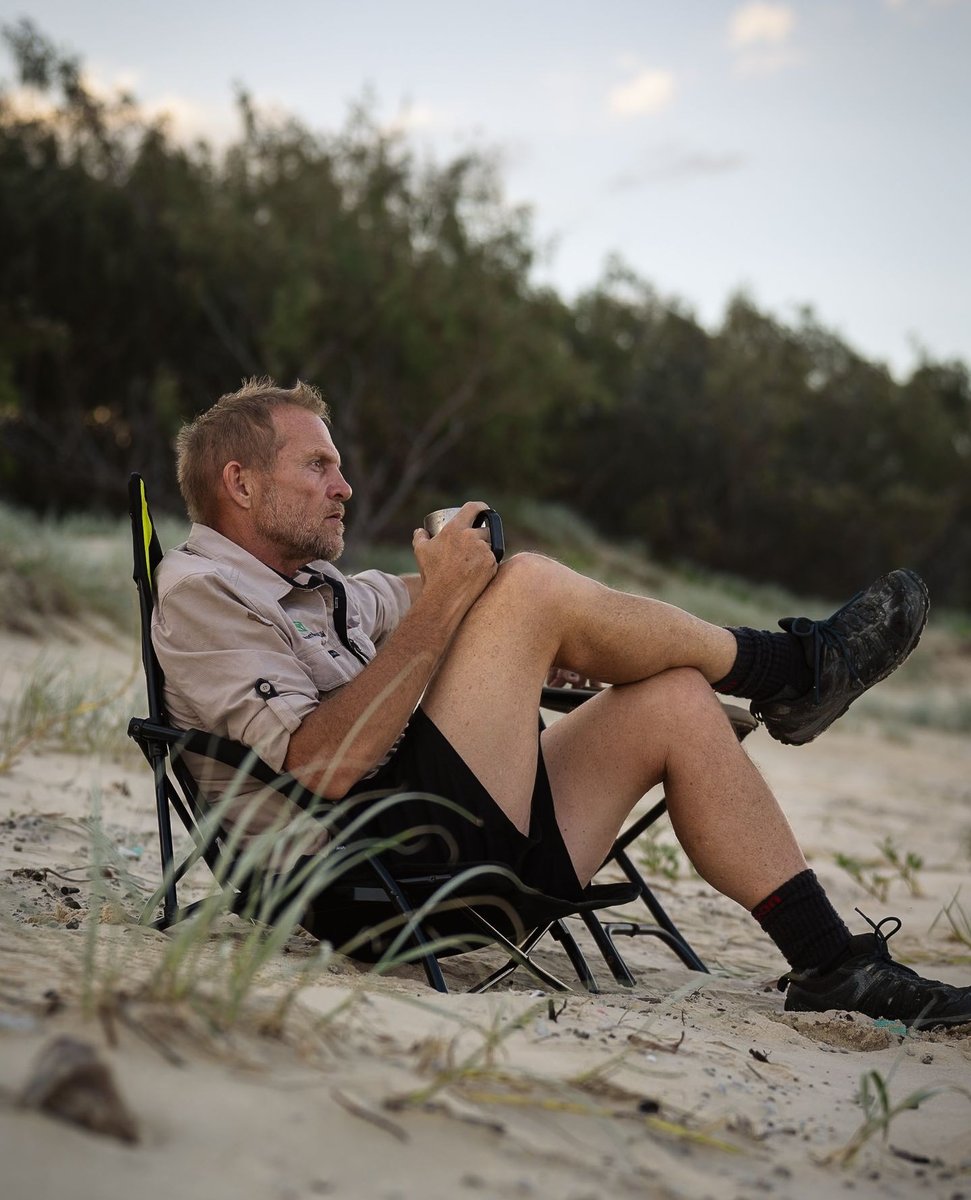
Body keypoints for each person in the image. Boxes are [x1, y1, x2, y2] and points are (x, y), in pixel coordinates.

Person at [153, 378, 971, 1027]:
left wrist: (500, 608)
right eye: (317, 466)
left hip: (452, 853)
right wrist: (478, 602)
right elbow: (320, 767)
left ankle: (833, 965)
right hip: (361, 874)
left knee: (672, 698)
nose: (345, 486)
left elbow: (451, 601)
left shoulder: (320, 588)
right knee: (530, 586)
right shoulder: (202, 593)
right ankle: (792, 664)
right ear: (241, 482)